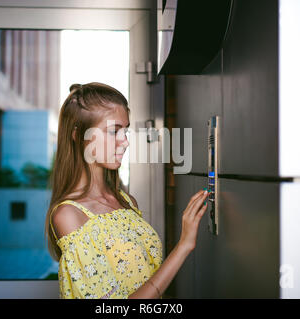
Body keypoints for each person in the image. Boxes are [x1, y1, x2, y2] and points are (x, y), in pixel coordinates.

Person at [45, 82, 210, 299]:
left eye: (125, 130)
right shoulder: (68, 216)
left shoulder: (126, 201)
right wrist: (184, 245)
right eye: (114, 131)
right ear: (78, 135)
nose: (125, 141)